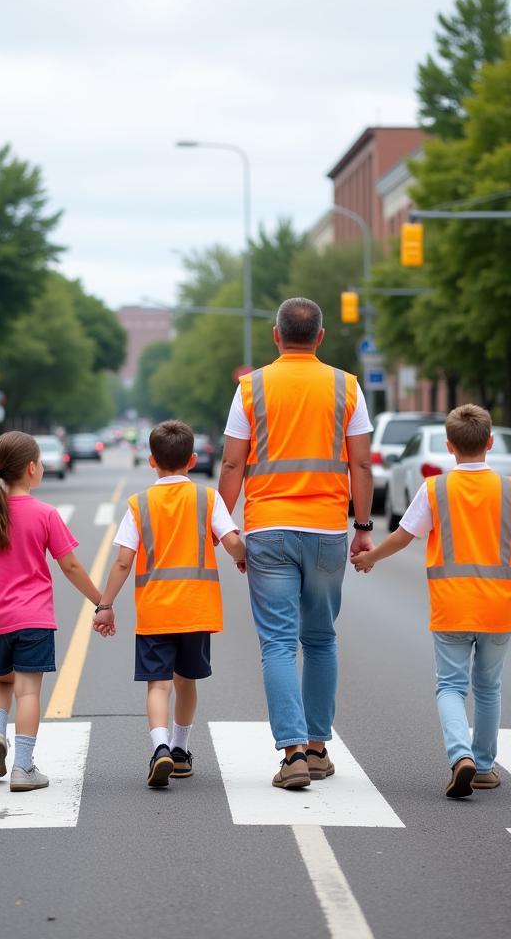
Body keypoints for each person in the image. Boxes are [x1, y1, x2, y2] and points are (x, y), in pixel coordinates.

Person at [351, 404, 511, 798]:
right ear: (490, 442)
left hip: (452, 605)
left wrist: (368, 558)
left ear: (449, 446)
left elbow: (403, 536)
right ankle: (482, 767)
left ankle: (459, 755)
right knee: (489, 686)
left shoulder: (436, 489)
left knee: (450, 686)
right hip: (498, 606)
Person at [218, 297, 374, 790]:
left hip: (268, 529)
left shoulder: (252, 387)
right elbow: (362, 465)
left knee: (279, 644)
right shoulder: (346, 386)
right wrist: (363, 526)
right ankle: (318, 747)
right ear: (321, 337)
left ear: (276, 335)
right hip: (328, 529)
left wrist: (224, 526)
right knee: (322, 639)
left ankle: (292, 756)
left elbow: (230, 465)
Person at [0, 431, 106, 793]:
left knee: (1, 682)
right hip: (34, 619)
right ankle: (23, 767)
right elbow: (70, 566)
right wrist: (100, 600)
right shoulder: (45, 514)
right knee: (28, 693)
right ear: (31, 469)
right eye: (41, 461)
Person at [95, 420, 246, 787]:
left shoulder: (139, 504)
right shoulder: (207, 498)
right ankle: (180, 751)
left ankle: (159, 747)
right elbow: (230, 541)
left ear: (151, 461)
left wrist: (105, 604)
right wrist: (244, 558)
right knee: (187, 681)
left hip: (156, 610)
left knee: (158, 685)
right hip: (196, 608)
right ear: (192, 460)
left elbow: (122, 561)